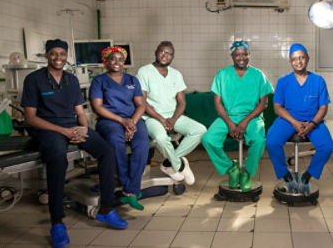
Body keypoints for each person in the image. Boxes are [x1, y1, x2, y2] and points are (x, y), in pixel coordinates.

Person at [21, 39, 127, 248]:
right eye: (53, 54)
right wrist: (64, 132)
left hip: (72, 126)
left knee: (107, 151)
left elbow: (80, 112)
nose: (58, 57)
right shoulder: (34, 79)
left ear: (66, 56)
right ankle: (57, 222)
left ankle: (106, 209)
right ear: (46, 56)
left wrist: (84, 129)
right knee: (58, 160)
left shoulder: (72, 80)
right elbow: (30, 119)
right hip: (47, 128)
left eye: (62, 54)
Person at [202, 40, 273, 192]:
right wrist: (229, 123)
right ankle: (231, 168)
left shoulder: (258, 75)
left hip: (252, 117)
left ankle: (246, 171)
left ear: (249, 55)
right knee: (208, 139)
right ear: (232, 56)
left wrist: (244, 122)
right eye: (237, 55)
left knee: (259, 141)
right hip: (228, 116)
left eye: (244, 54)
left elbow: (263, 104)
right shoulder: (222, 75)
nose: (241, 58)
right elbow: (217, 103)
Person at [266, 43, 333, 196]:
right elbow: (277, 107)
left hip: (313, 120)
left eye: (301, 57)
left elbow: (323, 107)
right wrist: (295, 123)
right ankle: (286, 175)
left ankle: (306, 177)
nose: (298, 62)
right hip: (288, 119)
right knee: (271, 141)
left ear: (307, 59)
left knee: (327, 147)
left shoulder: (318, 81)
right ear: (290, 62)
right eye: (294, 59)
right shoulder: (283, 82)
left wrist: (313, 124)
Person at [136, 41, 206, 185]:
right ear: (156, 52)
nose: (165, 55)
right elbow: (142, 102)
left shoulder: (176, 74)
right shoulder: (144, 71)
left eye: (169, 53)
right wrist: (161, 119)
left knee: (200, 130)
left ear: (173, 57)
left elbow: (181, 102)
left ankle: (169, 163)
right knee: (161, 139)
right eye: (162, 51)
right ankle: (179, 165)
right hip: (152, 117)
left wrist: (173, 119)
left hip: (173, 115)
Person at [90, 46, 149, 211]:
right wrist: (122, 121)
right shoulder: (99, 81)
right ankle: (126, 184)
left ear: (124, 63)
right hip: (110, 120)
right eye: (113, 59)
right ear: (106, 61)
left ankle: (131, 191)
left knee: (142, 143)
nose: (117, 62)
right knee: (116, 142)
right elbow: (97, 107)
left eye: (120, 59)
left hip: (133, 119)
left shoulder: (132, 80)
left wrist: (132, 123)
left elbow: (140, 105)